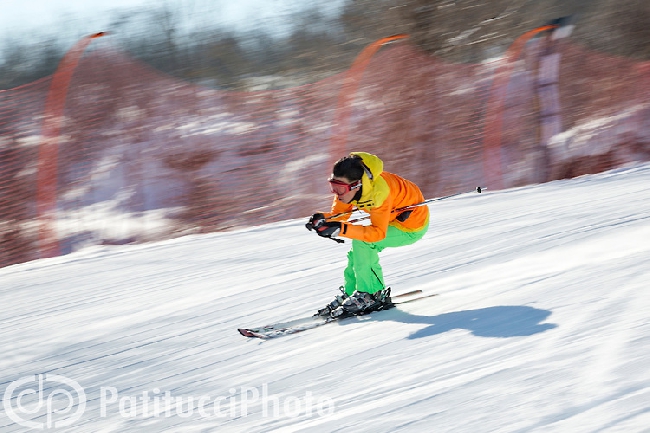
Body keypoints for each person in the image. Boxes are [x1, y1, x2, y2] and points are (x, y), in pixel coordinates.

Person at [306, 151, 429, 317]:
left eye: (340, 189)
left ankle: (372, 295)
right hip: (391, 218)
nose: (336, 193)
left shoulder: (379, 193)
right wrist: (324, 219)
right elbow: (341, 215)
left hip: (411, 226)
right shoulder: (352, 188)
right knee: (358, 251)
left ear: (356, 185)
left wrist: (341, 229)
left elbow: (377, 233)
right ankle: (351, 293)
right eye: (333, 186)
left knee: (364, 243)